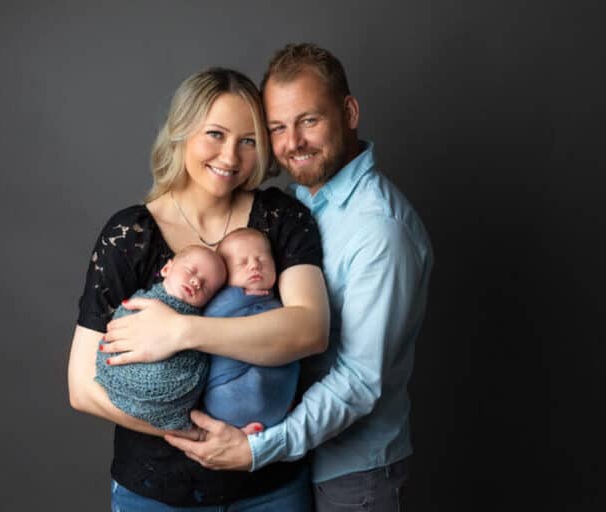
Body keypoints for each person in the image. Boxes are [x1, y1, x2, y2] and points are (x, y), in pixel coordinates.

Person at [164, 44, 433, 511]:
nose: (293, 143)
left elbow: (359, 381)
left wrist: (258, 448)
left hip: (355, 475)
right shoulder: (300, 205)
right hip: (300, 462)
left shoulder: (379, 231)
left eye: (309, 121)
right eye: (277, 128)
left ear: (349, 113)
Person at [67, 67, 330, 509]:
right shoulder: (130, 235)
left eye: (248, 141)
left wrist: (182, 332)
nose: (230, 156)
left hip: (270, 489)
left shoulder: (280, 218)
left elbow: (310, 329)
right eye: (215, 134)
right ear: (181, 131)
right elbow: (82, 387)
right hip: (155, 493)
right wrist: (200, 435)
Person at [95, 245, 227, 430]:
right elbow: (120, 325)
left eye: (206, 287)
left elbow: (200, 355)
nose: (196, 282)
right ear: (166, 268)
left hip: (172, 396)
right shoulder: (142, 300)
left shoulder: (200, 324)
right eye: (191, 271)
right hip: (121, 378)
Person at [202, 227, 299, 429]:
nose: (255, 265)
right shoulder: (220, 301)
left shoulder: (285, 298)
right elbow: (206, 324)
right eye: (242, 263)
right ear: (224, 274)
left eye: (263, 260)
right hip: (226, 391)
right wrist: (239, 296)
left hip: (278, 400)